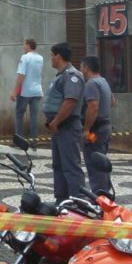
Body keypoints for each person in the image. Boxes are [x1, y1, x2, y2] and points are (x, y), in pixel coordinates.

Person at [43, 42, 86, 203]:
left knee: (70, 166)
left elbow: (70, 101)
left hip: (67, 126)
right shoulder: (61, 76)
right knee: (59, 165)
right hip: (58, 128)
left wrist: (56, 121)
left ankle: (77, 201)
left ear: (58, 56)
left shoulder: (72, 76)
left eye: (52, 55)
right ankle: (61, 199)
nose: (51, 59)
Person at [80, 55, 113, 194]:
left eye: (81, 67)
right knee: (101, 159)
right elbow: (113, 101)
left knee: (94, 162)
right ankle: (105, 189)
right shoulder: (103, 81)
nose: (80, 70)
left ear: (86, 68)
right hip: (106, 126)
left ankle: (100, 195)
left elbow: (93, 106)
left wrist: (87, 129)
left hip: (95, 130)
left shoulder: (91, 84)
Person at [10, 38, 44, 146]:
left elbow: (21, 75)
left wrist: (14, 92)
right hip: (37, 91)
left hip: (25, 91)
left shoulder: (25, 58)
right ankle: (33, 140)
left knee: (19, 115)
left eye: (24, 44)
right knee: (33, 116)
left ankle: (19, 140)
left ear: (29, 45)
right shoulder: (40, 58)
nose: (23, 47)